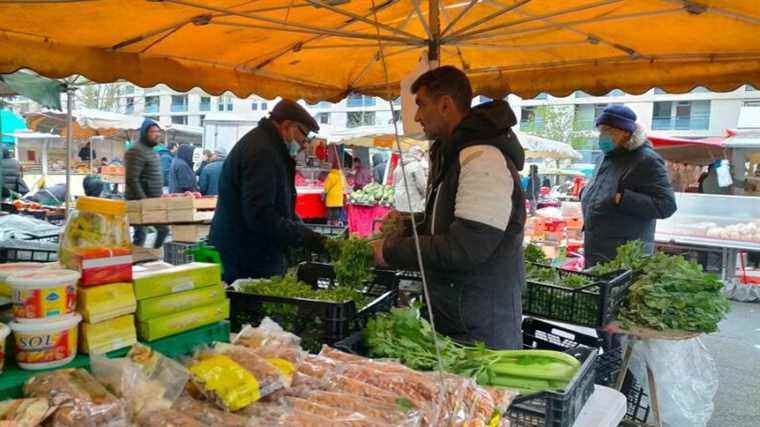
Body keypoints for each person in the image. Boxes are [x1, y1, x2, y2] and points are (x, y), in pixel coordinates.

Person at [372, 66, 526, 349]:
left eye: (421, 105)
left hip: (480, 332)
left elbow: (465, 247)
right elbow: (448, 224)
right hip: (457, 319)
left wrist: (391, 250)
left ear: (445, 105)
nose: (417, 116)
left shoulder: (482, 158)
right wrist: (407, 224)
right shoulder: (454, 153)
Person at [209, 99, 326, 283]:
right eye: (304, 135)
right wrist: (304, 236)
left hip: (250, 253)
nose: (304, 144)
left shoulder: (269, 147)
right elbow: (260, 215)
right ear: (287, 126)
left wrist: (301, 229)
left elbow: (278, 204)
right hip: (245, 257)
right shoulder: (262, 151)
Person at [581, 104, 677, 267]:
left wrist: (624, 199)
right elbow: (603, 192)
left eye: (608, 131)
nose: (602, 136)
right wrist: (586, 193)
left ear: (625, 133)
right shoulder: (604, 158)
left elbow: (666, 205)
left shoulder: (647, 160)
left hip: (624, 256)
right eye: (601, 130)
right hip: (596, 249)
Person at [125, 119, 169, 248]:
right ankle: (139, 262)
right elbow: (132, 179)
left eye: (158, 131)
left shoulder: (150, 150)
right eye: (153, 131)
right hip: (139, 201)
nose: (157, 134)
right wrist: (143, 200)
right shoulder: (136, 150)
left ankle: (148, 259)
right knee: (142, 234)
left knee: (159, 231)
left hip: (152, 200)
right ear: (145, 133)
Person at [393, 146, 428, 213]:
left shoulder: (399, 166)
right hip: (411, 197)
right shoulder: (416, 165)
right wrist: (424, 195)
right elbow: (421, 184)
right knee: (412, 219)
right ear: (419, 154)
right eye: (422, 155)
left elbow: (394, 183)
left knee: (402, 218)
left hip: (399, 197)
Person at [322, 160, 346, 226]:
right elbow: (344, 186)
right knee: (337, 212)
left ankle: (329, 225)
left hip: (331, 197)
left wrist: (324, 194)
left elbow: (326, 187)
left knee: (330, 212)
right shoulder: (342, 176)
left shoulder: (331, 175)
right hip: (339, 198)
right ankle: (336, 224)